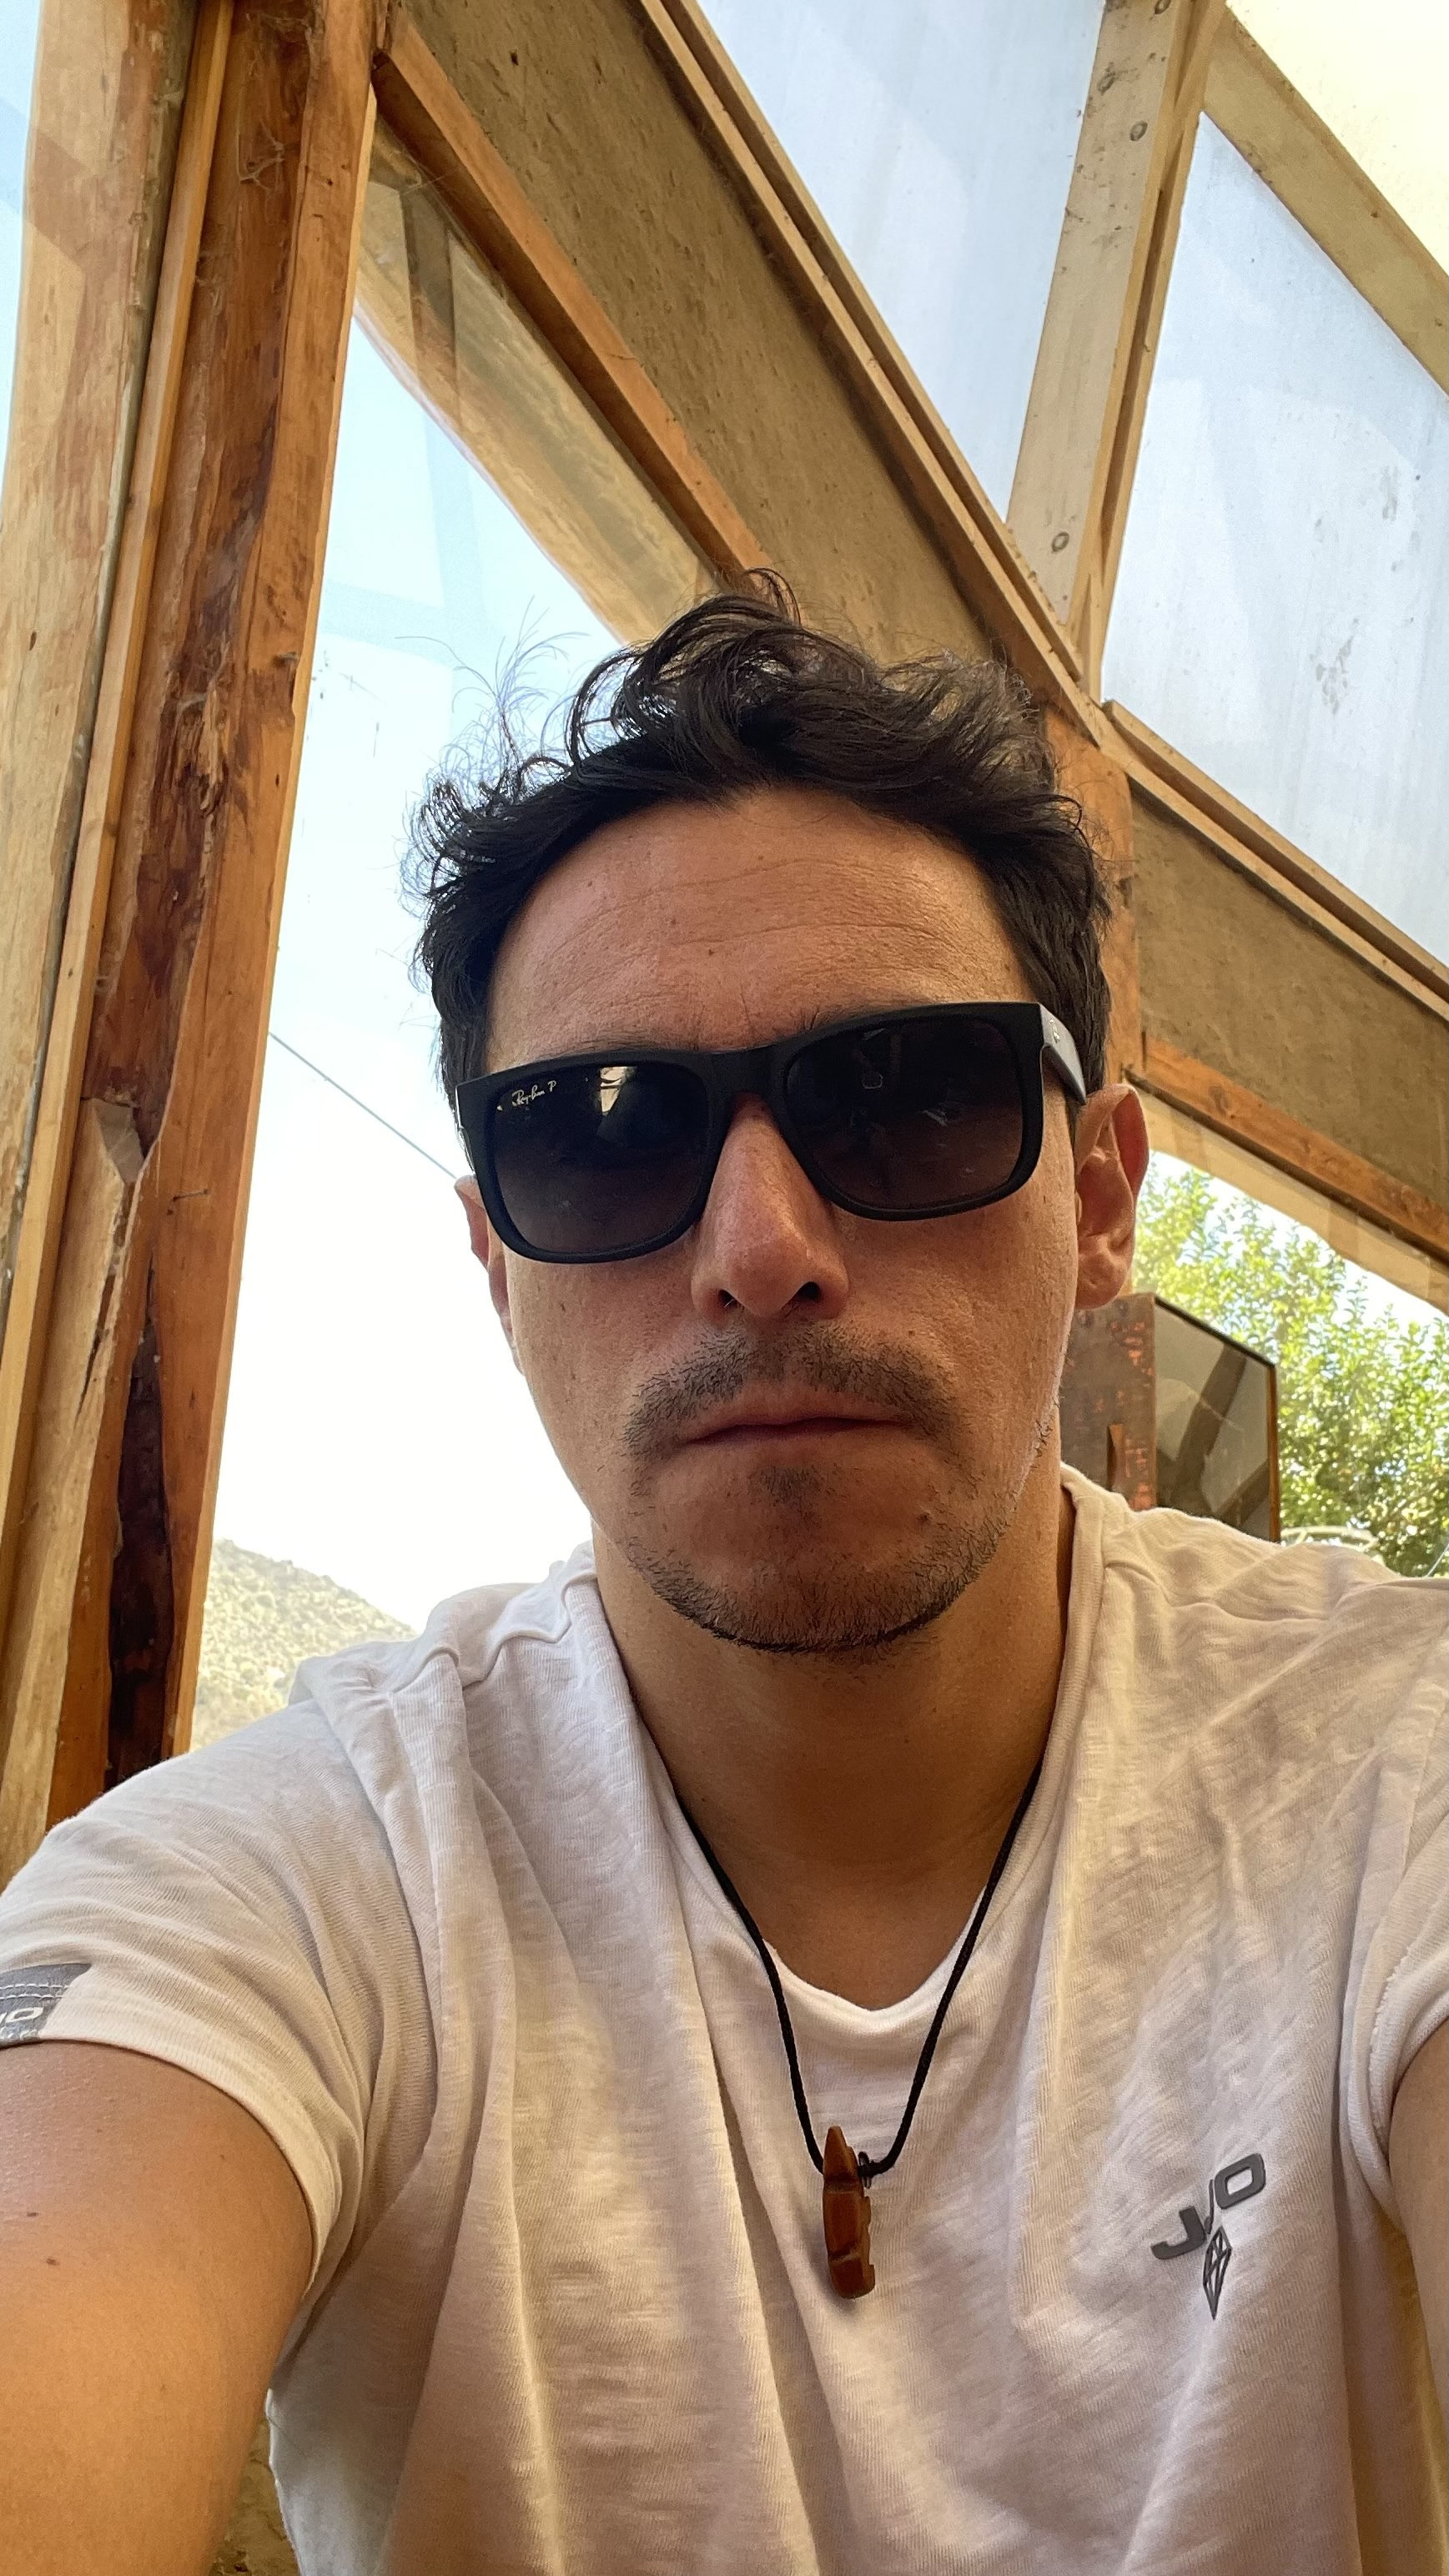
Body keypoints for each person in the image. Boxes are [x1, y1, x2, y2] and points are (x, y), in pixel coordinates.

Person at [0, 587, 1442, 2576]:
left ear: (1098, 1198)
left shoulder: (1383, 1761)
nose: (760, 1248)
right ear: (497, 1265)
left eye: (906, 1097)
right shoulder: (309, 1878)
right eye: (600, 1139)